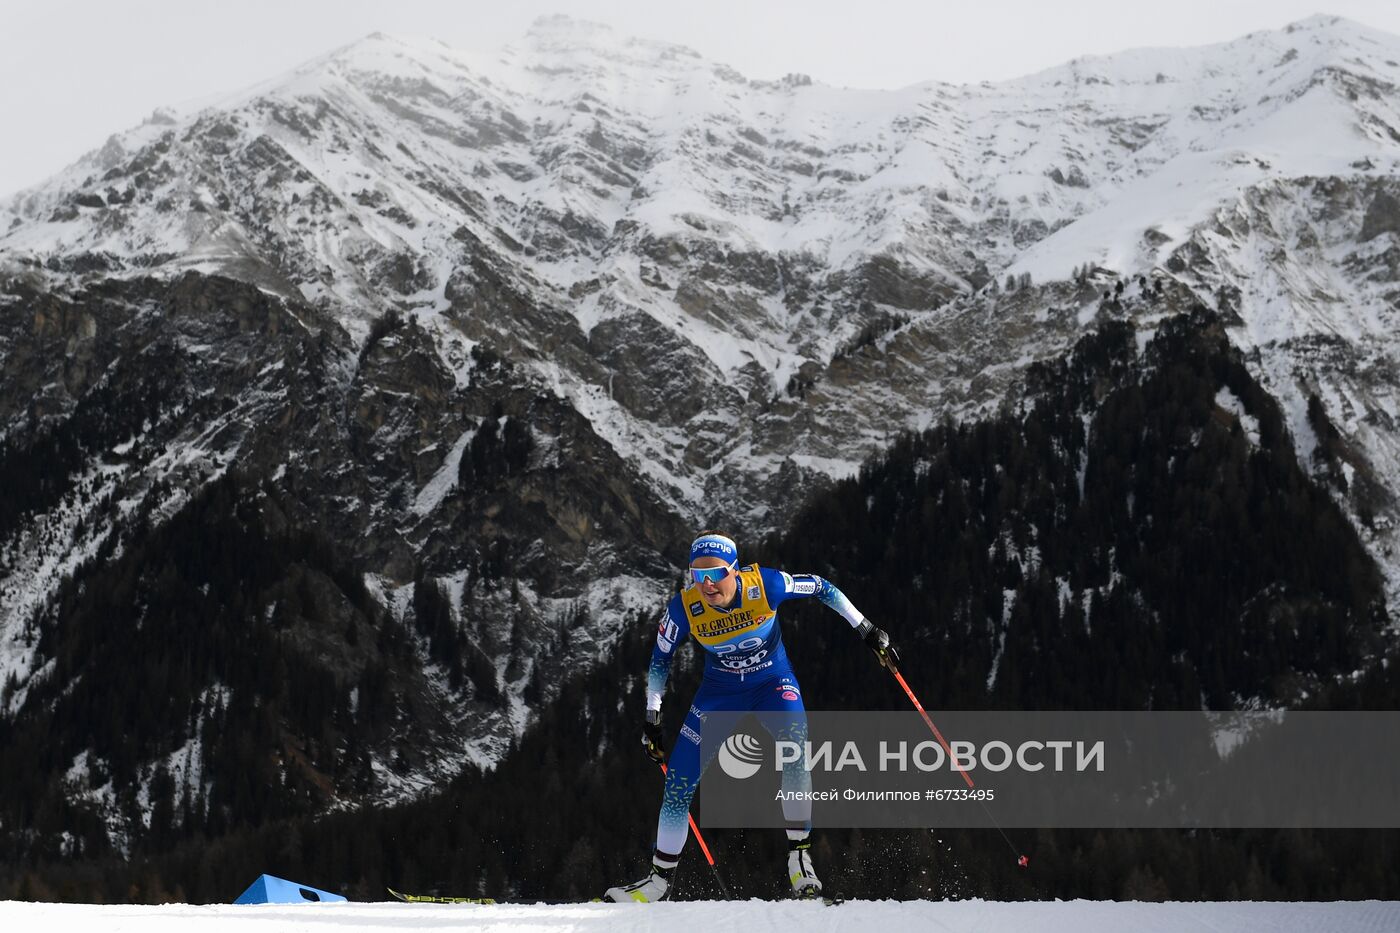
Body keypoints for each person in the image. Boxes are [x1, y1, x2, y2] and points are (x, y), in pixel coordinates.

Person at [604, 531, 898, 902]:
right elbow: (660, 659)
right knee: (677, 784)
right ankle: (658, 882)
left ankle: (800, 858)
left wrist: (867, 629)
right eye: (698, 576)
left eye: (717, 574)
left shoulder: (767, 585)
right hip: (719, 693)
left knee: (795, 751)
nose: (708, 585)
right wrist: (652, 716)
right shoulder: (684, 608)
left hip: (772, 683)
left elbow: (823, 587)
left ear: (736, 570)